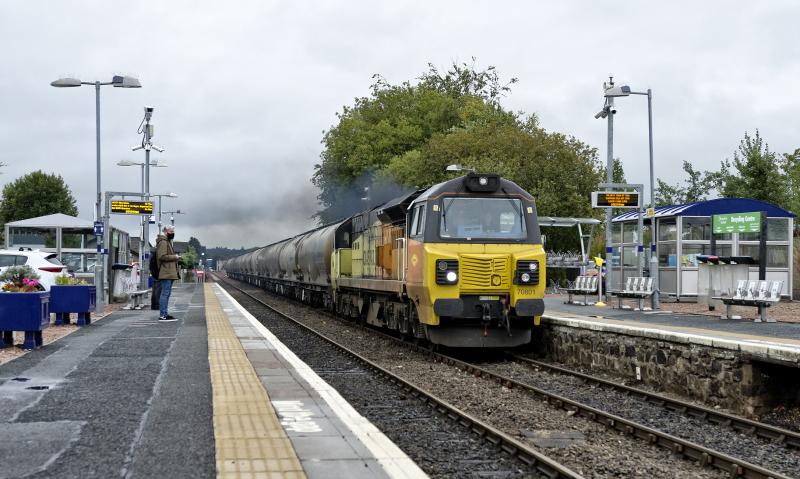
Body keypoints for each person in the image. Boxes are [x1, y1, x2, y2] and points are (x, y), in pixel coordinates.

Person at [156, 225, 180, 322]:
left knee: (166, 294)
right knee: (165, 294)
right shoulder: (163, 242)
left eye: (173, 231)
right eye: (171, 231)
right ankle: (163, 315)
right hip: (166, 272)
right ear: (166, 231)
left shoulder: (167, 242)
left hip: (168, 272)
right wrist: (175, 257)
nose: (172, 233)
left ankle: (165, 313)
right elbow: (162, 256)